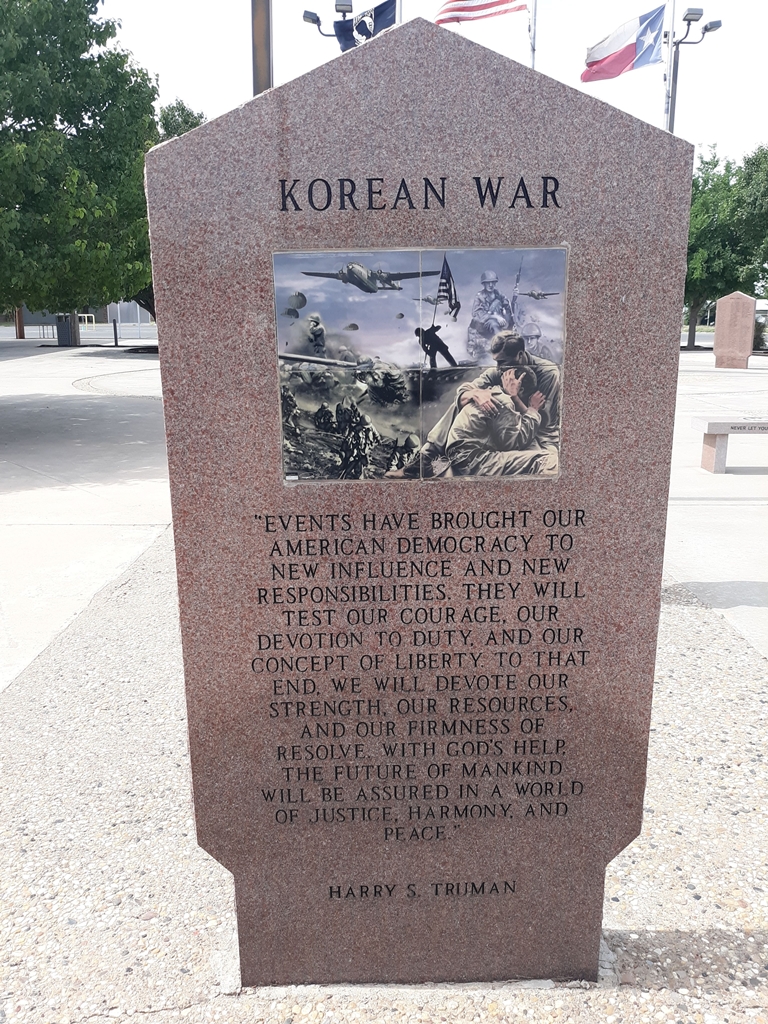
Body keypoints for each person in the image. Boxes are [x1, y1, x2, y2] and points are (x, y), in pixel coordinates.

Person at [385, 330, 560, 479]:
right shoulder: (499, 371)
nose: (498, 367)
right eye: (495, 361)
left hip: (537, 435)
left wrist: (513, 398)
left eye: (502, 362)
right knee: (462, 404)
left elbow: (543, 421)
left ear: (520, 356)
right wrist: (474, 393)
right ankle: (423, 462)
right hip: (505, 428)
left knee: (547, 463)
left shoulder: (548, 373)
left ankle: (440, 465)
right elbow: (464, 392)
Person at [446, 367, 556, 476]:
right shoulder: (503, 402)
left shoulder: (494, 392)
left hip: (465, 456)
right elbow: (515, 443)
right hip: (472, 461)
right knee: (547, 461)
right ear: (521, 390)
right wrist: (533, 410)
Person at [467, 271, 514, 357]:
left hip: (499, 322)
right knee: (493, 324)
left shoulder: (499, 294)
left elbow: (508, 308)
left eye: (493, 282)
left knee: (509, 324)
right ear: (483, 284)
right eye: (488, 283)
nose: (491, 285)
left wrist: (506, 322)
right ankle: (503, 348)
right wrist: (495, 317)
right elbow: (476, 313)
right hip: (484, 325)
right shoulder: (480, 296)